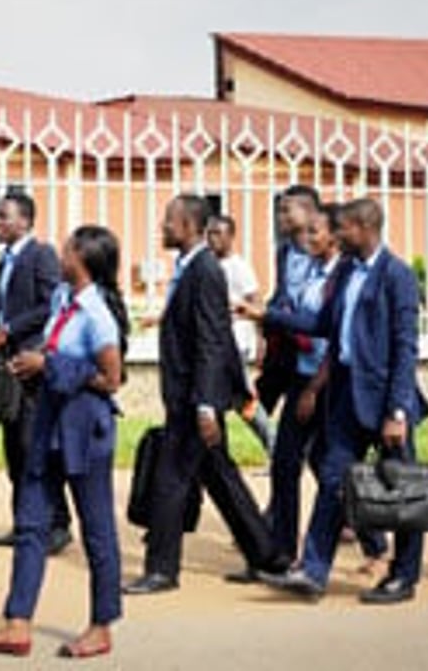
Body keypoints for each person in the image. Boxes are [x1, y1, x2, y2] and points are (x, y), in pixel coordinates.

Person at [260, 197, 428, 604]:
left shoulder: (397, 275)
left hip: (387, 400)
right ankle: (313, 572)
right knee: (334, 480)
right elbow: (325, 325)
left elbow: (406, 348)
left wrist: (397, 411)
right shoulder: (349, 272)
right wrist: (267, 316)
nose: (336, 236)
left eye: (343, 229)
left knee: (403, 489)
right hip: (347, 395)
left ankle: (403, 576)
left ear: (364, 228)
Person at [0, 225, 129, 659]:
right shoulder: (62, 299)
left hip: (84, 430)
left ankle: (101, 626)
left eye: (68, 249)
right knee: (31, 521)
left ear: (83, 260)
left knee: (97, 530)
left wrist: (51, 364)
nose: (60, 254)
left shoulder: (98, 315)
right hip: (49, 423)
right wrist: (40, 364)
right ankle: (17, 623)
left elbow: (111, 381)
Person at [123, 194, 287, 596]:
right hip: (193, 395)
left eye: (169, 221)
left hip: (196, 398)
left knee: (170, 480)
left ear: (190, 226)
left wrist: (206, 405)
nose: (162, 227)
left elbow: (213, 341)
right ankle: (268, 555)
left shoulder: (205, 270)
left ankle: (162, 570)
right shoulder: (189, 268)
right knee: (220, 476)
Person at [238, 203, 388, 576]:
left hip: (329, 383)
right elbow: (305, 319)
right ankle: (283, 553)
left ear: (334, 238)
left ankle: (373, 542)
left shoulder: (345, 276)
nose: (307, 239)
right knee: (288, 462)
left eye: (315, 233)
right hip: (303, 375)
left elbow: (330, 333)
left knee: (331, 465)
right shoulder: (312, 271)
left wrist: (314, 389)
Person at [0, 191, 73, 555]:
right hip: (8, 363)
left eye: (4, 216)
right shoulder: (4, 261)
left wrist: (13, 327)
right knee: (14, 448)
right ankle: (25, 521)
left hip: (33, 361)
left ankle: (57, 523)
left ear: (24, 221)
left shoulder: (41, 255)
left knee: (34, 444)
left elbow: (51, 303)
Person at [206, 213, 276, 455]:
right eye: (210, 233)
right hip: (214, 342)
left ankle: (275, 448)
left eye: (218, 233)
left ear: (231, 237)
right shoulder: (208, 264)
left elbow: (257, 304)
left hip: (235, 342)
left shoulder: (239, 267)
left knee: (243, 400)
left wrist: (260, 342)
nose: (212, 238)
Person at [254, 185, 317, 415]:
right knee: (258, 402)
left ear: (309, 213)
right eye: (279, 210)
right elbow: (282, 291)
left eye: (286, 210)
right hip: (287, 342)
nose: (280, 217)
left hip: (316, 345)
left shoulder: (323, 252)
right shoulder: (284, 252)